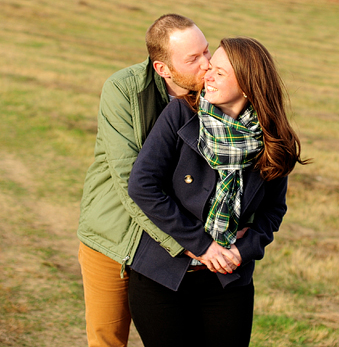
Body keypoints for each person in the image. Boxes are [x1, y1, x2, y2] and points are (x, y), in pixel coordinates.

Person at [127, 37, 306, 347]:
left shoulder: (275, 140)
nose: (206, 75)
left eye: (219, 72)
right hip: (161, 275)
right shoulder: (182, 114)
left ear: (249, 85)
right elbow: (142, 185)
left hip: (228, 281)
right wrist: (203, 245)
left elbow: (273, 211)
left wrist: (243, 249)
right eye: (210, 68)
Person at [77, 14, 211, 347]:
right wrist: (187, 243)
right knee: (107, 339)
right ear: (162, 69)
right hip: (116, 236)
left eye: (207, 51)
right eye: (193, 59)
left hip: (178, 239)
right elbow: (130, 181)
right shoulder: (124, 89)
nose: (207, 65)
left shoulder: (216, 91)